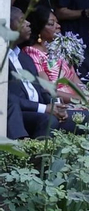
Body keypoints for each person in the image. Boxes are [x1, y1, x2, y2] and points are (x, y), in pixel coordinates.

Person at [7, 8, 69, 138]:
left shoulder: (24, 58)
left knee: (87, 118)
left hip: (42, 109)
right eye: (22, 20)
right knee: (49, 120)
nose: (28, 23)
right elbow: (8, 99)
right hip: (19, 113)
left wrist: (56, 105)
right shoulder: (2, 59)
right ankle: (34, 157)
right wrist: (44, 108)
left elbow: (42, 89)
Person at [29, 8, 84, 104]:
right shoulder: (33, 52)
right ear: (39, 28)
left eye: (57, 23)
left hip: (80, 102)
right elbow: (47, 89)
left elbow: (75, 79)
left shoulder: (62, 50)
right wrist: (83, 100)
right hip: (59, 106)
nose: (58, 26)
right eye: (51, 24)